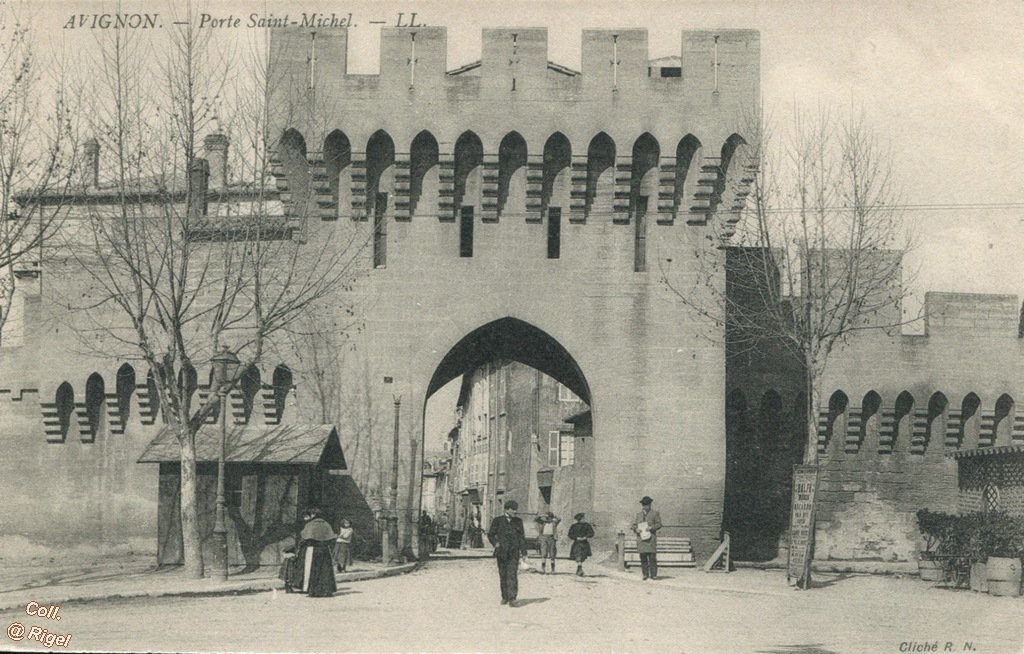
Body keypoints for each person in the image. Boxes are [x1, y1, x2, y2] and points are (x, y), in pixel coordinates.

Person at [487, 499, 525, 607]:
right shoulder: (497, 520)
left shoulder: (518, 521)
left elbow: (522, 537)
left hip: (514, 552)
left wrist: (524, 552)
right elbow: (491, 534)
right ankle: (505, 597)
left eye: (516, 510)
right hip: (502, 552)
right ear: (507, 509)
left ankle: (512, 598)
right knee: (503, 574)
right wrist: (495, 543)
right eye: (513, 509)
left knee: (512, 574)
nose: (515, 512)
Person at [297, 508, 338, 597]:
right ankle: (327, 590)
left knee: (312, 570)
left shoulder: (310, 525)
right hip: (325, 550)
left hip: (313, 549)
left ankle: (313, 591)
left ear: (313, 515)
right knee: (325, 570)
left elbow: (304, 538)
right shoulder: (327, 524)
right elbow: (331, 539)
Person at [631, 496, 662, 580]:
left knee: (652, 558)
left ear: (650, 505)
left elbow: (659, 524)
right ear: (642, 505)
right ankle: (645, 574)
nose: (646, 507)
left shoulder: (655, 514)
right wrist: (636, 529)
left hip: (650, 539)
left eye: (647, 505)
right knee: (643, 557)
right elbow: (633, 525)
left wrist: (651, 527)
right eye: (644, 505)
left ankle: (654, 575)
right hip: (641, 540)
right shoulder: (638, 515)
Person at [568, 512, 595, 577]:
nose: (584, 519)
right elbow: (570, 535)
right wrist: (576, 538)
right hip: (577, 543)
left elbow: (591, 533)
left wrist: (585, 537)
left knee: (583, 557)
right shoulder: (574, 526)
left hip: (585, 543)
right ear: (580, 519)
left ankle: (579, 568)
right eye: (583, 518)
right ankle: (580, 569)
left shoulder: (587, 525)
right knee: (578, 556)